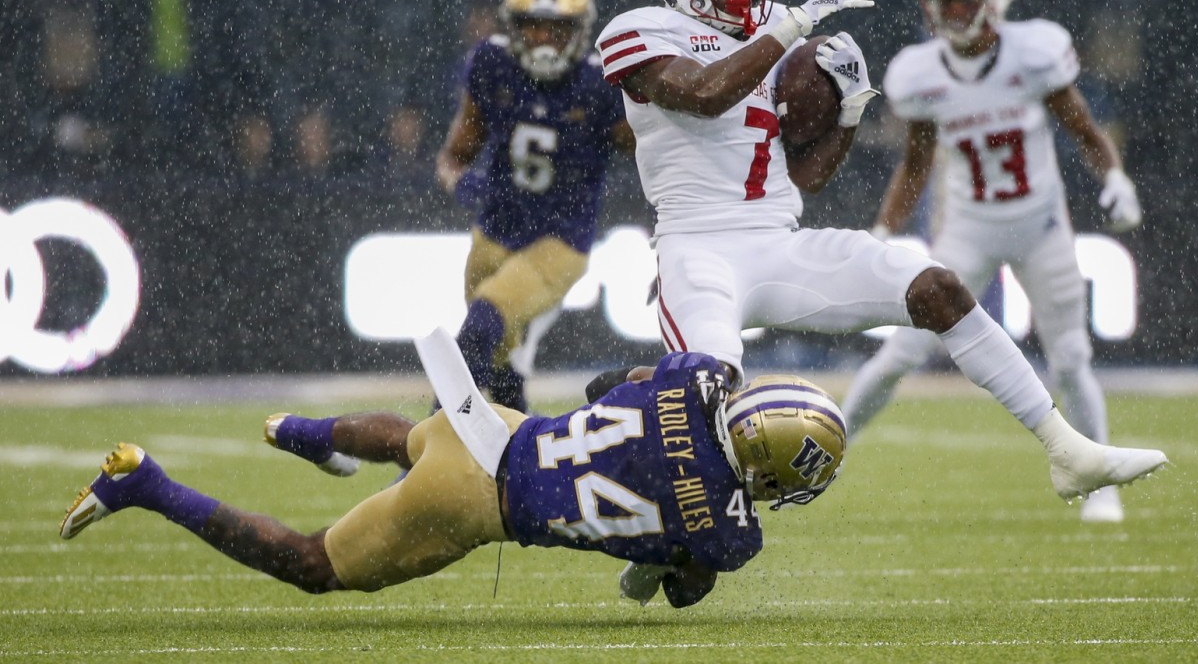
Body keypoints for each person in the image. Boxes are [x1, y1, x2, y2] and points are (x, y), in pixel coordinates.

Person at [593, 0, 1165, 506]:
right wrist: (793, 27)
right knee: (706, 397)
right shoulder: (640, 29)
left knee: (936, 288)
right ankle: (633, 427)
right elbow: (703, 93)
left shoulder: (773, 27)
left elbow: (807, 178)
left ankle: (1067, 450)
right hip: (698, 252)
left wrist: (849, 112)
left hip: (779, 244)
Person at [59, 347, 846, 609]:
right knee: (311, 565)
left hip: (499, 428)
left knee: (410, 439)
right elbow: (680, 591)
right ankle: (145, 483)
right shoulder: (729, 533)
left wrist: (652, 426)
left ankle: (298, 431)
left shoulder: (700, 379)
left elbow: (607, 384)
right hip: (476, 504)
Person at [838, 0, 1145, 523]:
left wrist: (1115, 177)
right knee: (902, 351)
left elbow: (1084, 129)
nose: (955, 8)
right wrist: (881, 230)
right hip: (968, 231)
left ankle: (1101, 485)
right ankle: (837, 442)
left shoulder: (1035, 53)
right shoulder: (919, 73)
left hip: (1040, 224)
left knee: (1070, 359)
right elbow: (917, 163)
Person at [435, 0, 635, 413]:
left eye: (557, 29)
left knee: (482, 326)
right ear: (513, 27)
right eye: (533, 28)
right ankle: (520, 459)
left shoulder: (600, 84)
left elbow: (653, 156)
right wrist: (459, 182)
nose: (544, 41)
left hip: (559, 241)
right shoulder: (491, 64)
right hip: (494, 228)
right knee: (498, 354)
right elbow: (453, 155)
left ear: (580, 31)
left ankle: (424, 450)